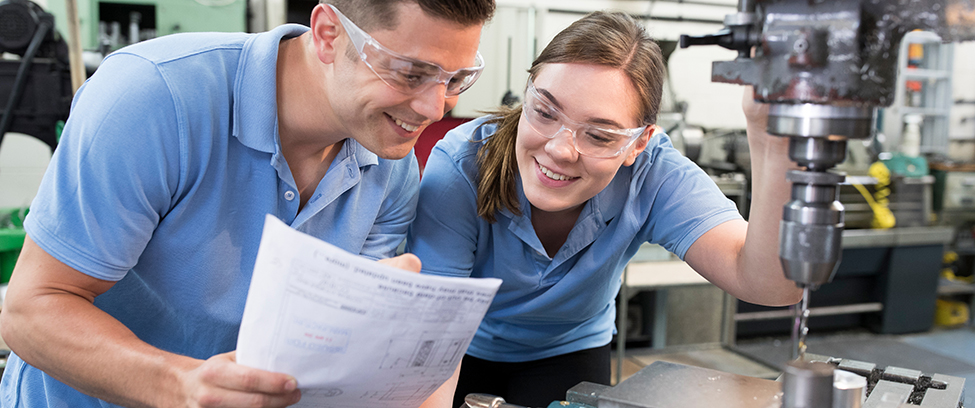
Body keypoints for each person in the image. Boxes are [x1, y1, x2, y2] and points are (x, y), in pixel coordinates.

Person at [0, 0, 493, 407]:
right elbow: (30, 310)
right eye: (410, 74)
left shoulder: (391, 163)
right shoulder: (156, 97)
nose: (433, 108)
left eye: (455, 80)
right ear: (327, 34)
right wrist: (182, 385)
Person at [406, 10, 804, 408]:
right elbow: (436, 328)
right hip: (461, 345)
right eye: (545, 112)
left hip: (569, 350)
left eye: (598, 135)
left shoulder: (653, 176)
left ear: (639, 143)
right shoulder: (463, 164)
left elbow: (770, 284)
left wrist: (773, 136)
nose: (560, 150)